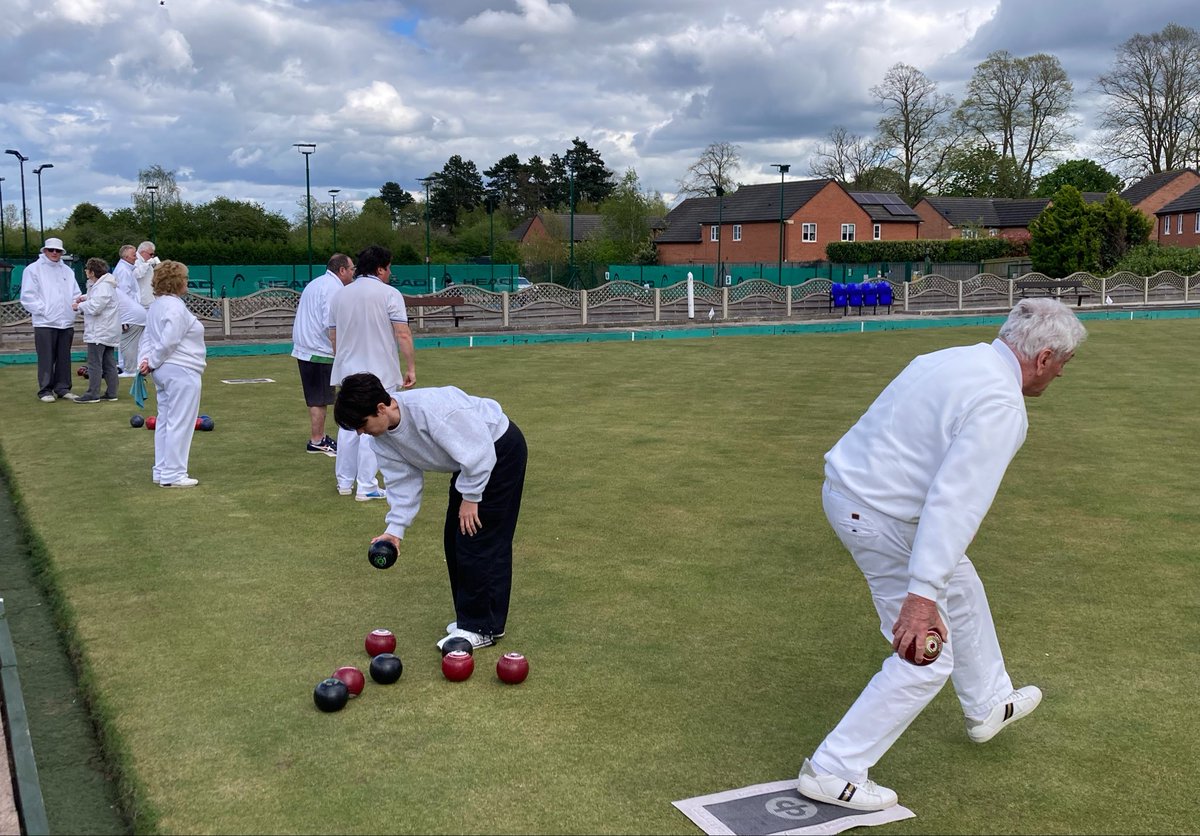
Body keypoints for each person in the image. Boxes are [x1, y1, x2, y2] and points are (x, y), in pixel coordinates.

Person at [797, 298, 1087, 812]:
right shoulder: (1001, 404)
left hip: (854, 494)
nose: (1063, 374)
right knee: (925, 657)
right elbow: (956, 503)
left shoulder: (949, 358)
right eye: (1064, 364)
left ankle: (989, 702)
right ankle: (832, 769)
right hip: (881, 517)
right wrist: (921, 596)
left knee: (963, 584)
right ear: (1043, 358)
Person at [334, 372, 526, 651]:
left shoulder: (432, 410)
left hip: (498, 450)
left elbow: (481, 452)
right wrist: (394, 532)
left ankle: (478, 627)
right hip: (469, 464)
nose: (361, 433)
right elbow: (403, 482)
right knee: (454, 538)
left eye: (362, 425)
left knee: (477, 539)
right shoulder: (381, 438)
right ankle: (479, 619)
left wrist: (471, 497)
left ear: (381, 408)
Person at [328, 244, 416, 501]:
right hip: (380, 370)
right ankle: (366, 485)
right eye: (388, 268)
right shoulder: (389, 293)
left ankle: (344, 482)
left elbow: (332, 335)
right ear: (380, 269)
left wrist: (341, 358)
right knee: (372, 426)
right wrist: (410, 368)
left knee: (348, 426)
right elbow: (402, 333)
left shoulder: (340, 295)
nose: (390, 273)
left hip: (347, 369)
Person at [138, 260, 206, 488]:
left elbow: (148, 338)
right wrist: (152, 361)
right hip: (181, 370)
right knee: (180, 422)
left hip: (165, 372)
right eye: (185, 278)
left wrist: (147, 361)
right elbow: (170, 339)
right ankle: (174, 474)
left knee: (166, 421)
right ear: (176, 281)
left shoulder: (157, 306)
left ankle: (162, 470)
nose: (187, 282)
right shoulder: (175, 307)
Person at [292, 253, 355, 456]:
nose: (354, 273)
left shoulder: (317, 283)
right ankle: (317, 440)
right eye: (352, 269)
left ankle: (318, 438)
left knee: (317, 397)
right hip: (319, 350)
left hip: (307, 348)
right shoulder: (333, 288)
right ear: (342, 270)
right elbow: (331, 324)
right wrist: (341, 353)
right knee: (320, 398)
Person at [20, 237, 82, 402]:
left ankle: (63, 388)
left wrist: (74, 308)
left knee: (64, 357)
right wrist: (43, 311)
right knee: (46, 357)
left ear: (62, 252)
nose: (55, 253)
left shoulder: (68, 271)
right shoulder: (33, 269)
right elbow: (27, 296)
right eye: (51, 250)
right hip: (45, 322)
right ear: (44, 251)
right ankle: (45, 390)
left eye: (58, 250)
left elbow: (75, 293)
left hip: (66, 321)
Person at [72, 257, 121, 403]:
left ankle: (93, 394)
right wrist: (85, 298)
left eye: (87, 269)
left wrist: (78, 307)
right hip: (107, 330)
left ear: (92, 272)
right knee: (108, 362)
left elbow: (95, 307)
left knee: (95, 363)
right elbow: (98, 298)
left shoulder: (102, 286)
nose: (86, 271)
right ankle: (112, 392)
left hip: (100, 331)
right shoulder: (103, 285)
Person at [113, 244, 146, 376]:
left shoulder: (126, 269)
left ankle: (127, 366)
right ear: (126, 256)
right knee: (127, 341)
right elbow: (123, 293)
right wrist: (124, 316)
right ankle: (127, 367)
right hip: (129, 312)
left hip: (132, 311)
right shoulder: (123, 271)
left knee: (130, 341)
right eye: (133, 255)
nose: (135, 258)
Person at [133, 241, 160, 308]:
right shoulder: (135, 261)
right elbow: (137, 274)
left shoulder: (147, 262)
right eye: (151, 254)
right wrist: (147, 264)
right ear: (143, 252)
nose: (152, 256)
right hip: (141, 301)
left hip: (149, 299)